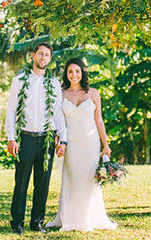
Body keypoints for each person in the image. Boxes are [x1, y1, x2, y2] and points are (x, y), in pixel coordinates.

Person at [46, 57, 117, 232]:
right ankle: (68, 217)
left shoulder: (93, 93)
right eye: (70, 71)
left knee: (88, 179)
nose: (74, 75)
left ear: (83, 72)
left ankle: (89, 216)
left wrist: (105, 145)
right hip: (71, 143)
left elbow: (99, 120)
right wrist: (58, 142)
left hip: (90, 142)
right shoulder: (61, 94)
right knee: (71, 179)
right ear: (66, 74)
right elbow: (57, 122)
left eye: (77, 71)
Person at [5, 42, 67, 236]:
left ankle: (37, 222)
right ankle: (17, 222)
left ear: (50, 59)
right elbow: (12, 109)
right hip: (25, 137)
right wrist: (11, 138)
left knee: (43, 182)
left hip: (47, 139)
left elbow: (58, 113)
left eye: (47, 55)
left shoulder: (55, 84)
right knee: (21, 182)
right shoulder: (20, 80)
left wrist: (63, 140)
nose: (43, 58)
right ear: (33, 56)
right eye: (40, 54)